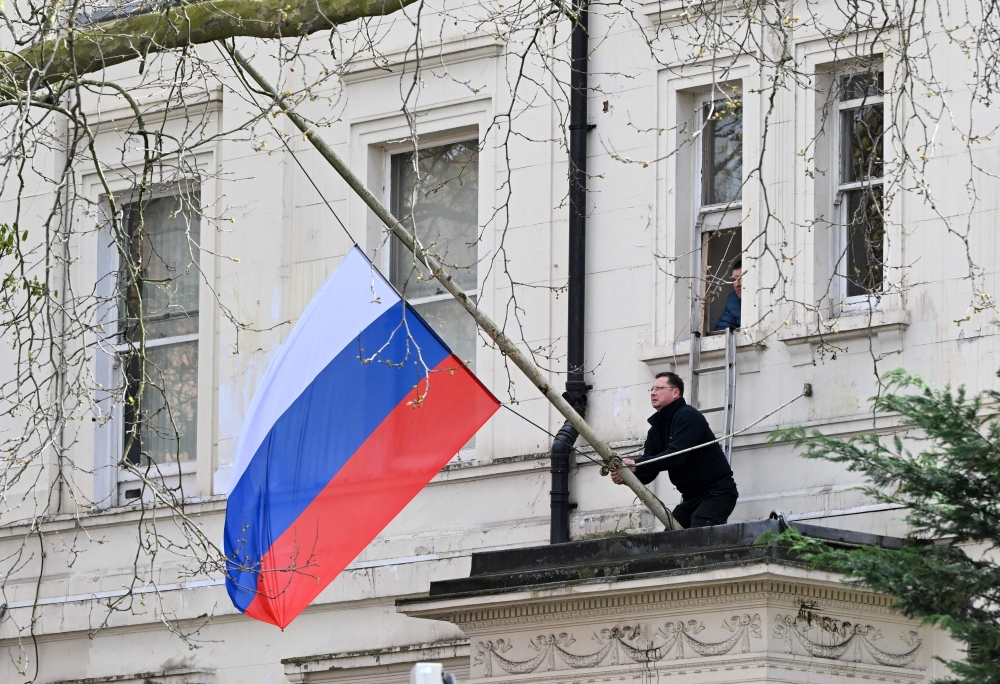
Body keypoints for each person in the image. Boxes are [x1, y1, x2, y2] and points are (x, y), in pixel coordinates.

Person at [611, 372, 738, 528]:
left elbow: (676, 456)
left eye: (659, 388)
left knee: (698, 534)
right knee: (669, 538)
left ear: (675, 392)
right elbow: (649, 472)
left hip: (717, 493)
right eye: (651, 389)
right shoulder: (656, 430)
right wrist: (628, 475)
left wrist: (636, 464)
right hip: (691, 498)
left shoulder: (688, 416)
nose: (653, 393)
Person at [713, 260, 742, 331]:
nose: (736, 285)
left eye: (740, 279)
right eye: (734, 280)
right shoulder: (733, 301)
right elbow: (720, 330)